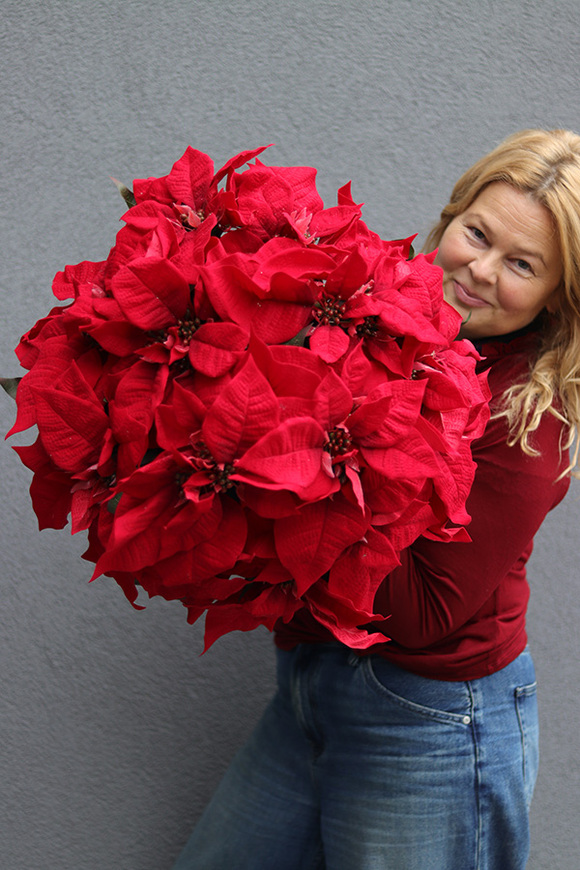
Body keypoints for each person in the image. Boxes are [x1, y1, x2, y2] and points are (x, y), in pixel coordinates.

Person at [172, 129, 580, 870]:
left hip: (431, 725)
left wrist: (279, 475)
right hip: (314, 685)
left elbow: (424, 614)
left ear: (559, 296)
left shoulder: (529, 418)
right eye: (477, 234)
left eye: (522, 265)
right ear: (452, 217)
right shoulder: (389, 318)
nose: (481, 271)